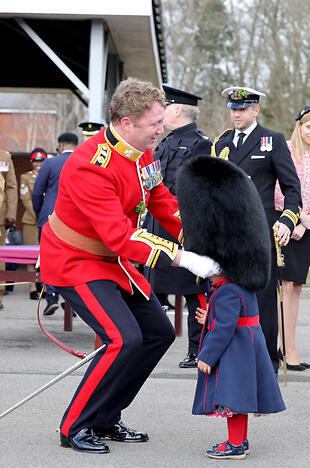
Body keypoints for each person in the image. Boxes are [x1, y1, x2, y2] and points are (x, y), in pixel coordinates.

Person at [39, 77, 221, 454]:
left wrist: (198, 237)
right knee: (122, 338)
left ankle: (106, 416)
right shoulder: (90, 164)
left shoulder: (143, 152)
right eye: (154, 123)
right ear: (126, 123)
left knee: (158, 332)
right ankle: (75, 426)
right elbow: (120, 236)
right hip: (75, 259)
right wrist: (185, 259)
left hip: (112, 261)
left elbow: (160, 200)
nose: (161, 128)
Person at [175, 155, 285, 460]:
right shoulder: (240, 286)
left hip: (233, 352)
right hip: (246, 347)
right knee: (239, 402)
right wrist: (207, 314)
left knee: (232, 402)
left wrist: (206, 355)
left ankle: (235, 445)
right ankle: (240, 441)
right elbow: (234, 315)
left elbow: (224, 328)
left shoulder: (225, 291)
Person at [211, 86, 301, 373]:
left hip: (260, 229)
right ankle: (230, 361)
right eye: (233, 109)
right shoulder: (221, 143)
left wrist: (287, 220)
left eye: (242, 109)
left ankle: (266, 364)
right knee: (227, 296)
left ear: (255, 110)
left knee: (263, 300)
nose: (236, 114)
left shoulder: (271, 140)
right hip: (227, 231)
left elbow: (291, 188)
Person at [144, 85, 212, 369]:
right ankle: (147, 338)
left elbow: (199, 189)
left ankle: (198, 348)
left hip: (183, 226)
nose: (161, 114)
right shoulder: (164, 142)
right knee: (149, 285)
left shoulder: (201, 145)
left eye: (165, 107)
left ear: (177, 110)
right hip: (156, 223)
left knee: (193, 290)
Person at [273, 106, 310, 370]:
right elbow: (277, 188)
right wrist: (293, 217)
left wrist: (309, 219)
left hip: (305, 228)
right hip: (284, 224)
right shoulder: (285, 150)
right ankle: (281, 348)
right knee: (282, 288)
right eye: (309, 127)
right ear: (299, 126)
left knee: (295, 287)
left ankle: (289, 345)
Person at [33, 132, 78, 315]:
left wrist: (40, 215)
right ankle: (72, 301)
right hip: (76, 220)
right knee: (74, 259)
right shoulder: (85, 161)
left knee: (48, 257)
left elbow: (37, 193)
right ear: (76, 145)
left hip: (49, 218)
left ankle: (51, 295)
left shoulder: (50, 163)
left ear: (60, 146)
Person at [19, 148, 46, 300]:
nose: (38, 164)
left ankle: (45, 285)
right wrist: (37, 214)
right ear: (31, 162)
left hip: (46, 220)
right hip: (31, 220)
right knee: (30, 255)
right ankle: (32, 287)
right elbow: (26, 199)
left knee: (46, 254)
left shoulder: (49, 175)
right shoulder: (25, 177)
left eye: (41, 161)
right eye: (36, 161)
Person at [0, 147, 18, 310]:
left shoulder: (4, 156)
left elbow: (11, 187)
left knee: (0, 256)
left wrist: (11, 214)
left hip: (0, 215)